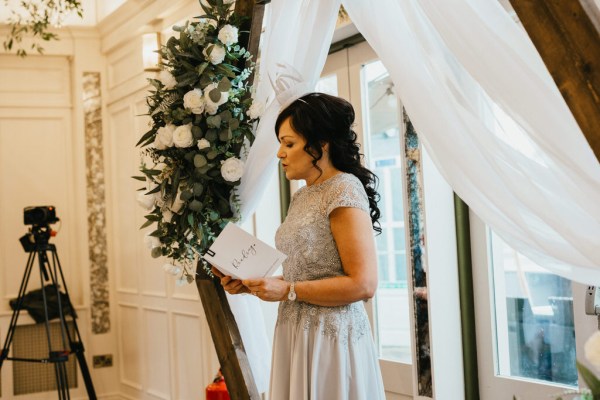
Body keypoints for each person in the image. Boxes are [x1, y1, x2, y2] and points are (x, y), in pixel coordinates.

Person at [213, 92, 385, 399]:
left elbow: (363, 284)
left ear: (321, 144)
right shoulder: (303, 195)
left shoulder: (343, 189)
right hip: (295, 330)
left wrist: (287, 290)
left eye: (288, 143)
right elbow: (308, 274)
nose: (280, 153)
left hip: (331, 338)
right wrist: (255, 284)